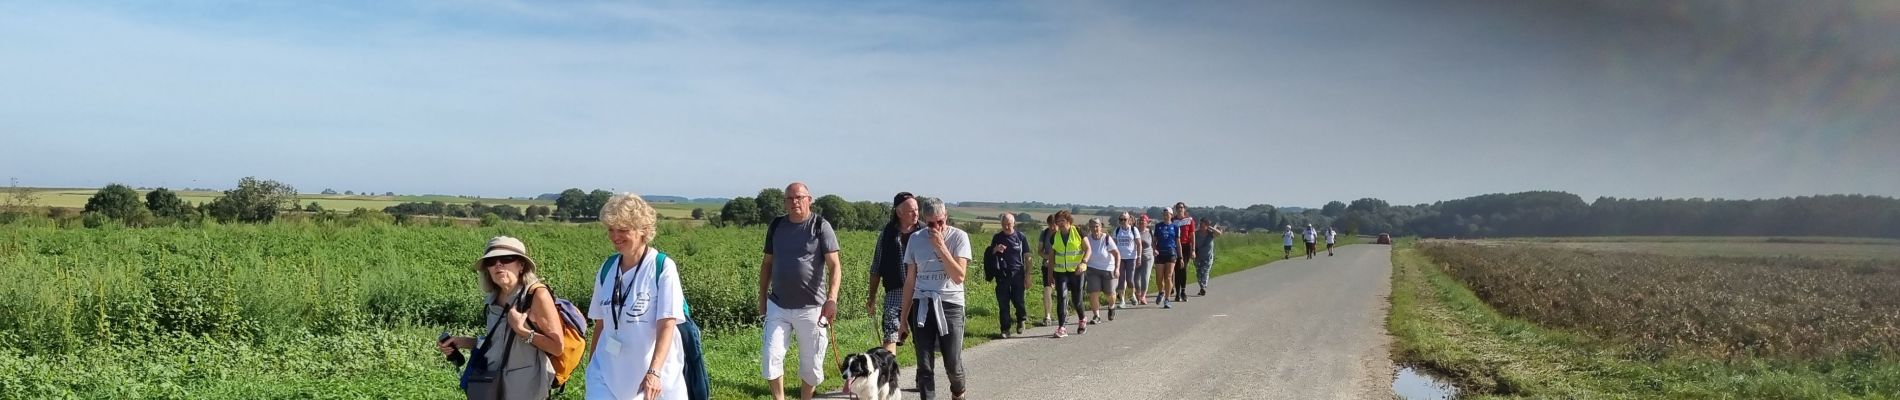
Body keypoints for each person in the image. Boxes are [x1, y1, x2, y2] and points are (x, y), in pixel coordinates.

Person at [586, 193, 690, 400]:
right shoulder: (607, 268)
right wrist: (591, 366)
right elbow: (600, 322)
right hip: (607, 374)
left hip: (652, 379)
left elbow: (667, 323)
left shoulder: (662, 267)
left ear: (643, 230)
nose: (615, 236)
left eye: (623, 230)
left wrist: (654, 372)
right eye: (611, 229)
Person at [437, 236, 560, 400]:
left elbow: (557, 347)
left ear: (521, 265)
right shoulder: (492, 299)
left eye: (506, 258)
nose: (498, 264)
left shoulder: (537, 295)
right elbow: (496, 342)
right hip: (493, 384)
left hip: (526, 388)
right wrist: (462, 342)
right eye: (491, 261)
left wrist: (521, 330)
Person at [757, 182, 842, 400]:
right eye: (790, 198)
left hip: (813, 308)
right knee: (770, 357)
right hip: (778, 305)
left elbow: (835, 266)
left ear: (809, 199)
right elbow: (767, 264)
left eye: (799, 197)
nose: (794, 202)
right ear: (785, 202)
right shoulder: (776, 226)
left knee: (811, 364)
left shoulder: (820, 226)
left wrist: (831, 300)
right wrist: (762, 299)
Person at [897, 197, 972, 400]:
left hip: (950, 303)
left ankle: (958, 392)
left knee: (953, 364)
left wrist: (940, 246)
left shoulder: (959, 237)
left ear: (946, 217)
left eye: (941, 222)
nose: (937, 227)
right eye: (931, 223)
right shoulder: (915, 239)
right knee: (924, 365)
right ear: (924, 220)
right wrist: (903, 318)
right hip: (922, 303)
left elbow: (959, 276)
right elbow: (910, 281)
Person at [866, 192, 920, 353]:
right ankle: (888, 376)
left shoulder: (925, 232)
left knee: (923, 338)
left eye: (917, 209)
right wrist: (872, 297)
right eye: (911, 210)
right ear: (899, 212)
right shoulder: (887, 234)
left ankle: (924, 375)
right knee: (890, 335)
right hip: (895, 292)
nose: (916, 213)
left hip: (921, 291)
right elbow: (876, 268)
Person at [983, 212, 1030, 338]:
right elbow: (989, 254)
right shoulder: (997, 237)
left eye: (1008, 224)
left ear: (1013, 223)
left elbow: (1027, 256)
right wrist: (996, 249)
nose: (1006, 227)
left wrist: (1028, 275)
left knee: (1018, 301)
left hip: (1018, 274)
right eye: (1004, 225)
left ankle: (1021, 319)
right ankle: (1005, 329)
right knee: (1003, 304)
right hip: (1002, 275)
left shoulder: (1020, 237)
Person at [1046, 210, 1090, 336]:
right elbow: (1051, 257)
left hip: (1077, 272)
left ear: (1069, 221)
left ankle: (1082, 319)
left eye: (1062, 221)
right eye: (1058, 221)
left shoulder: (1079, 232)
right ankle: (1061, 327)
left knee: (1077, 300)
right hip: (1060, 272)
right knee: (1062, 297)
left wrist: (1084, 263)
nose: (1060, 223)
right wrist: (1050, 276)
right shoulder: (1055, 236)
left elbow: (1088, 249)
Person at [1082, 218, 1122, 324]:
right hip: (1092, 269)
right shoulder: (1087, 239)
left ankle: (1111, 306)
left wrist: (1117, 268)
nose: (1095, 229)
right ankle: (1096, 316)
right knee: (1093, 292)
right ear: (1089, 228)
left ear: (1101, 227)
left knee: (1110, 293)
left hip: (1108, 269)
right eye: (1092, 227)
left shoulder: (1107, 238)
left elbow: (1117, 254)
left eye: (1097, 226)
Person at [1112, 212, 1144, 308]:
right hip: (1120, 258)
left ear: (1129, 220)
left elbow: (1139, 244)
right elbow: (1113, 244)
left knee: (1130, 279)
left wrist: (1139, 257)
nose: (1122, 221)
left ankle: (1132, 294)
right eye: (1121, 219)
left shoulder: (1134, 230)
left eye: (1124, 219)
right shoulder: (1117, 230)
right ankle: (1122, 300)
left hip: (1131, 258)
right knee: (1121, 280)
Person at [1150, 209, 1181, 309]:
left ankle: (1167, 299)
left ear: (1171, 215)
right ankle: (1161, 292)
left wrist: (1180, 257)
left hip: (1171, 253)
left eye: (1167, 214)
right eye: (1164, 214)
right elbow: (1154, 241)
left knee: (1168, 276)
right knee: (1159, 277)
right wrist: (1154, 249)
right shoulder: (1158, 226)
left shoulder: (1175, 227)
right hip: (1160, 253)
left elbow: (1178, 243)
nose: (1165, 216)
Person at [1171, 203, 1195, 302]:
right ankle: (1177, 293)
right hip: (1175, 246)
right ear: (1176, 209)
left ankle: (1183, 291)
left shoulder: (1189, 220)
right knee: (1176, 270)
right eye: (1178, 208)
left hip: (1185, 246)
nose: (1180, 209)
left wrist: (1193, 250)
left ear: (1184, 209)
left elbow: (1192, 235)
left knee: (1183, 268)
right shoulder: (1173, 220)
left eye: (1181, 207)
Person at [1193, 221, 1224, 296]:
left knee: (1205, 271)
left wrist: (1211, 228)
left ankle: (1203, 287)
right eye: (1200, 225)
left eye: (1203, 226)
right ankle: (1201, 287)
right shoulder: (1196, 234)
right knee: (1199, 273)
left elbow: (1219, 233)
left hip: (1208, 257)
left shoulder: (1210, 234)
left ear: (1207, 226)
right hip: (1198, 256)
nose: (1201, 227)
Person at [1037, 214, 1057, 327]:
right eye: (1050, 225)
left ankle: (1063, 312)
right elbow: (1039, 251)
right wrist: (1048, 258)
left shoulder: (1062, 234)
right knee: (1047, 289)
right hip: (1047, 266)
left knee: (1061, 290)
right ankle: (1047, 316)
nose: (1052, 228)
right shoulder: (1044, 234)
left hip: (1061, 266)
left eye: (1054, 225)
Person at [1131, 215, 1155, 305]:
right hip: (1136, 257)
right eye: (1140, 220)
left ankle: (1143, 296)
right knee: (1135, 278)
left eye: (1143, 221)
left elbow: (1153, 243)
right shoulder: (1134, 231)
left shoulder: (1150, 232)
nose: (1141, 222)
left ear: (1147, 222)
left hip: (1148, 257)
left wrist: (1155, 250)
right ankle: (1138, 293)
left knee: (1145, 277)